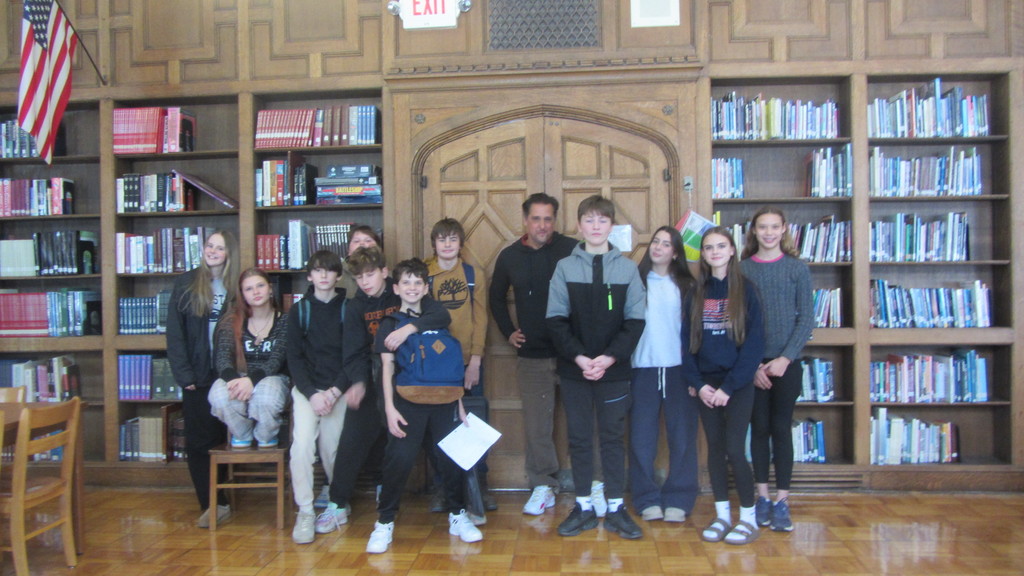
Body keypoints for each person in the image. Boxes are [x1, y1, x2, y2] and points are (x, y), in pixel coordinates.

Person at [317, 247, 451, 534]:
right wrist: (359, 382)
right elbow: (352, 353)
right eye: (359, 277)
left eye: (369, 275)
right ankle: (337, 504)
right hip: (371, 379)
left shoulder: (402, 292)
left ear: (384, 274)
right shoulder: (354, 307)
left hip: (409, 383)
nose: (365, 281)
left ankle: (457, 503)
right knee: (351, 441)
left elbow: (439, 316)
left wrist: (409, 328)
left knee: (429, 441)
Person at [545, 195, 646, 540]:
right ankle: (584, 506)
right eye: (589, 220)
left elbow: (635, 322)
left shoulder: (627, 268)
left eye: (602, 221)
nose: (596, 227)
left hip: (614, 371)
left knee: (613, 438)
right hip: (575, 370)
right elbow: (556, 320)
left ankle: (616, 507)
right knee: (579, 438)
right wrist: (579, 357)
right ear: (578, 226)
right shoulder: (564, 267)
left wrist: (608, 358)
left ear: (612, 227)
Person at [366, 258, 482, 554]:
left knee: (449, 459)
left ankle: (458, 515)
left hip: (444, 400)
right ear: (396, 287)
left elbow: (449, 366)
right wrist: (389, 409)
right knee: (399, 460)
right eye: (406, 282)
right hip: (407, 402)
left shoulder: (438, 318)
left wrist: (459, 404)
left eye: (418, 282)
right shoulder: (389, 325)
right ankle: (384, 522)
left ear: (426, 286)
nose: (413, 287)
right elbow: (386, 371)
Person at [489, 193, 577, 515]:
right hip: (533, 357)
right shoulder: (510, 256)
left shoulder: (572, 249)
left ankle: (592, 485)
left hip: (573, 356)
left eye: (548, 218)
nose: (542, 225)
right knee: (538, 427)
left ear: (555, 220)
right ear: (525, 220)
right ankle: (543, 485)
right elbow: (496, 298)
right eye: (536, 218)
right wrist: (508, 331)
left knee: (583, 422)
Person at [682, 227, 765, 546]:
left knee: (733, 448)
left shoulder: (748, 290)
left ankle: (747, 518)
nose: (714, 252)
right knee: (715, 450)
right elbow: (685, 342)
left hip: (737, 384)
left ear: (732, 250)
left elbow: (755, 346)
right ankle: (722, 516)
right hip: (706, 385)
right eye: (708, 248)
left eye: (721, 246)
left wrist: (728, 388)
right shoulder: (695, 292)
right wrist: (698, 384)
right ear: (702, 255)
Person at [740, 206, 814, 533]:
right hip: (753, 365)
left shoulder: (797, 269)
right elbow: (737, 321)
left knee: (781, 430)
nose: (768, 233)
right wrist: (753, 364)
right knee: (758, 430)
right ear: (753, 232)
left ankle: (783, 500)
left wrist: (785, 358)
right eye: (762, 227)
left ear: (784, 230)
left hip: (787, 365)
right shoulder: (741, 269)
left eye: (774, 227)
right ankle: (762, 498)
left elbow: (806, 319)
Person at [165, 230, 238, 528]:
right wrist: (184, 375)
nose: (213, 252)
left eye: (220, 248)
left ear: (229, 253)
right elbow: (175, 333)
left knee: (223, 439)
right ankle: (209, 503)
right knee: (199, 443)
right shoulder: (186, 283)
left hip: (227, 375)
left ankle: (225, 498)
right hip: (196, 375)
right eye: (210, 246)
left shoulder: (236, 286)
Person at [629, 226, 699, 524]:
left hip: (679, 370)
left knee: (682, 438)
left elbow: (697, 332)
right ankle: (645, 498)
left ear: (676, 252)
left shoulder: (688, 285)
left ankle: (680, 497)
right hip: (641, 368)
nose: (658, 247)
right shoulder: (635, 281)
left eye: (666, 243)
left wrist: (697, 375)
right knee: (641, 438)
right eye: (655, 241)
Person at [425, 217, 494, 515]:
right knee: (440, 428)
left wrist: (475, 359)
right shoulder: (424, 274)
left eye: (453, 239)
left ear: (461, 243)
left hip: (467, 363)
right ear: (434, 244)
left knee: (472, 425)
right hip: (434, 366)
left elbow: (481, 319)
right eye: (442, 239)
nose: (448, 244)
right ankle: (444, 487)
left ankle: (478, 485)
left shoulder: (472, 272)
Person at [286, 250, 350, 544]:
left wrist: (334, 392)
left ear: (338, 275)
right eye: (317, 270)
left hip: (338, 390)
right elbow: (294, 359)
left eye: (329, 270)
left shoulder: (348, 309)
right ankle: (306, 511)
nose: (324, 275)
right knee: (301, 447)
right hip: (307, 391)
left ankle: (338, 501)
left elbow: (353, 357)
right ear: (309, 276)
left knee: (332, 448)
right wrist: (312, 395)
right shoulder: (300, 311)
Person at [209, 267, 289, 450]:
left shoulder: (285, 320)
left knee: (266, 397)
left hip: (272, 377)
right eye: (249, 289)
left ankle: (265, 436)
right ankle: (243, 434)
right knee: (218, 395)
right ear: (243, 294)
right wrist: (235, 381)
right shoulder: (232, 320)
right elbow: (222, 358)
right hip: (237, 375)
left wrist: (252, 381)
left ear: (270, 289)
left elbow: (277, 359)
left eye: (260, 286)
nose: (256, 292)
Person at [338, 224, 382, 299]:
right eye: (356, 241)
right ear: (348, 250)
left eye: (368, 240)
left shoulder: (386, 273)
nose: (362, 244)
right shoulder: (337, 273)